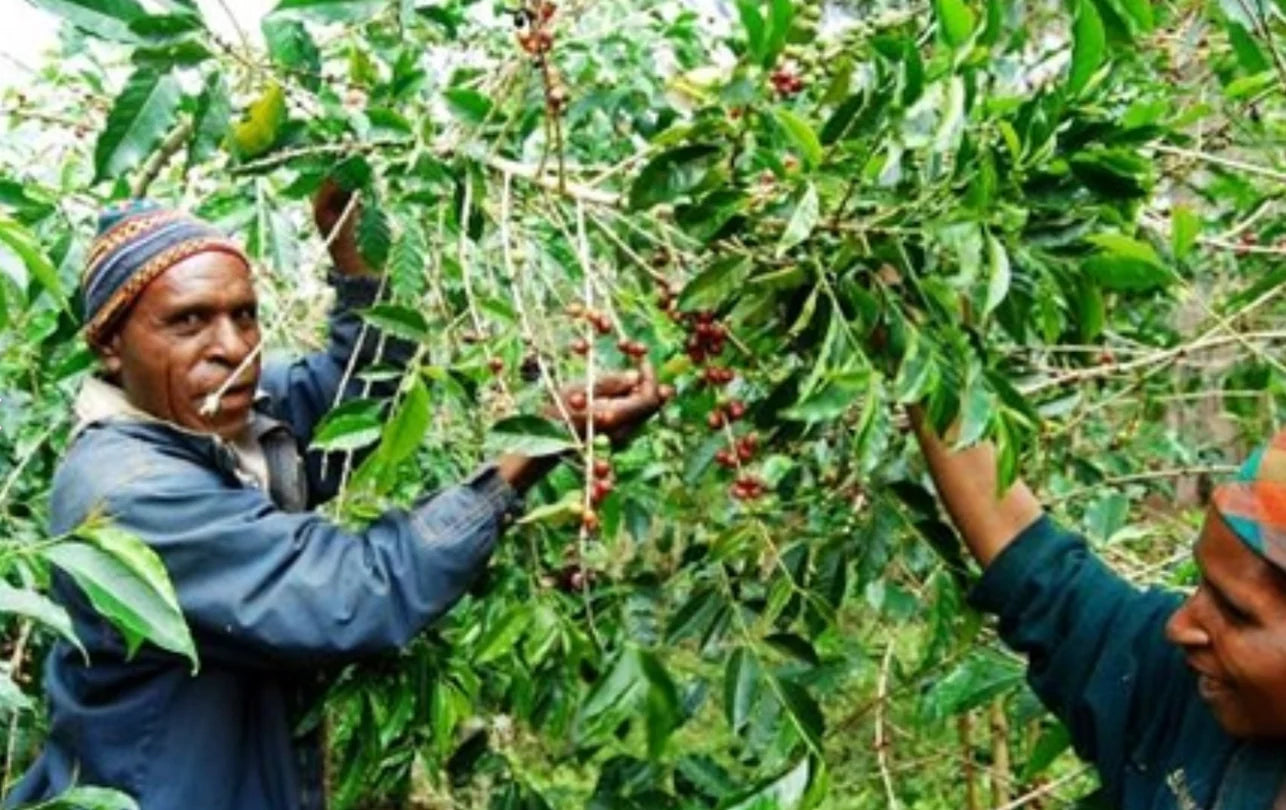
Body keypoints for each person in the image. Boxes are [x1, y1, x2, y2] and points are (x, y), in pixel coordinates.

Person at [6, 183, 662, 810]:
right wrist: (526, 456)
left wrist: (354, 257)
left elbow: (352, 390)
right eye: (188, 322)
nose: (232, 349)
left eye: (245, 315)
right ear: (112, 347)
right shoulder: (130, 494)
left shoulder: (220, 412)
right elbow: (353, 591)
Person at [910, 406, 1286, 808]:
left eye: (1237, 613)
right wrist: (919, 363)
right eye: (1201, 585)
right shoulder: (1182, 696)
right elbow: (1042, 580)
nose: (1180, 626)